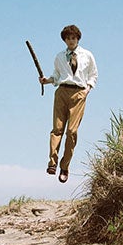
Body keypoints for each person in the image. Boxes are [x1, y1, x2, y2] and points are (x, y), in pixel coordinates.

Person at [39, 25, 98, 183]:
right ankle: (52, 163)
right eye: (68, 38)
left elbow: (93, 74)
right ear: (64, 40)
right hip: (62, 92)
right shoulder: (59, 56)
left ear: (78, 39)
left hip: (78, 93)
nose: (71, 41)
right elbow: (57, 76)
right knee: (57, 129)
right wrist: (47, 80)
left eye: (73, 38)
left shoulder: (87, 55)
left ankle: (65, 166)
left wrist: (87, 90)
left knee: (71, 132)